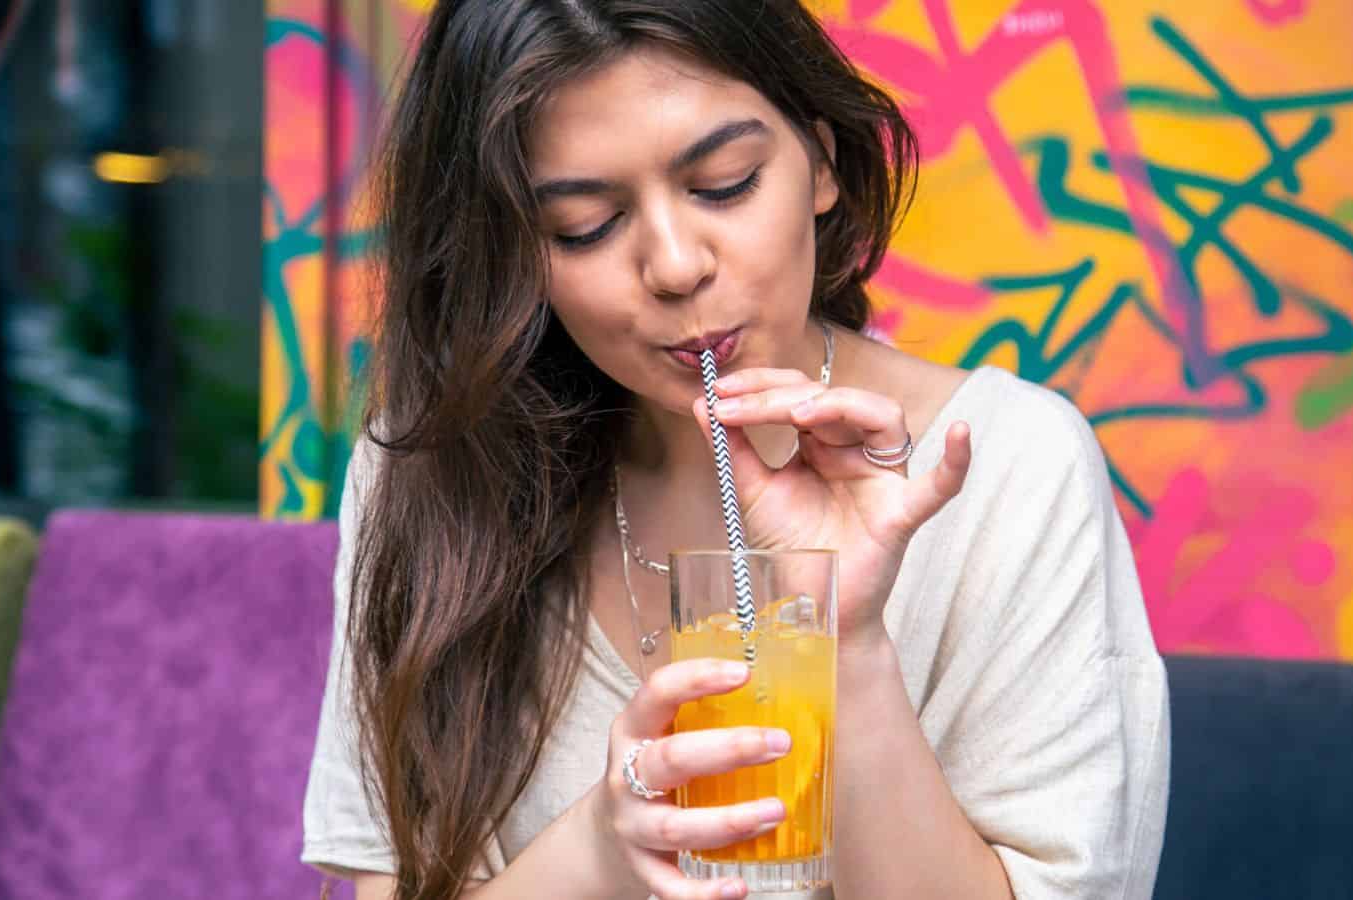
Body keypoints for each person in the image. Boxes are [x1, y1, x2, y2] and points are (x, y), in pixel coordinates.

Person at [300, 2, 1171, 899]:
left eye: (724, 183)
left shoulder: (1009, 465)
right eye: (586, 226)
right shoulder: (432, 472)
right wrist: (602, 848)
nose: (676, 266)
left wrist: (850, 646)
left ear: (822, 164)